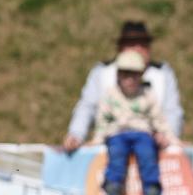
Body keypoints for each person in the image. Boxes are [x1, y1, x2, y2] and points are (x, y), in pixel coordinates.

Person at [64, 21, 183, 152]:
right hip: (111, 145)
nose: (138, 49)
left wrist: (168, 138)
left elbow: (172, 111)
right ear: (120, 48)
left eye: (142, 45)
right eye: (131, 44)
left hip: (151, 146)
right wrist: (76, 134)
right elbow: (87, 107)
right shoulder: (102, 72)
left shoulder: (163, 74)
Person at [90, 50, 179, 195]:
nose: (130, 80)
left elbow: (158, 119)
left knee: (147, 155)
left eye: (134, 75)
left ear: (141, 76)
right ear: (118, 75)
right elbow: (102, 120)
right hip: (118, 133)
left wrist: (170, 138)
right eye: (125, 74)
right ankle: (113, 188)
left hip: (142, 133)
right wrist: (97, 138)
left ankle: (151, 191)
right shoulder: (111, 95)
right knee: (116, 154)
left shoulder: (147, 95)